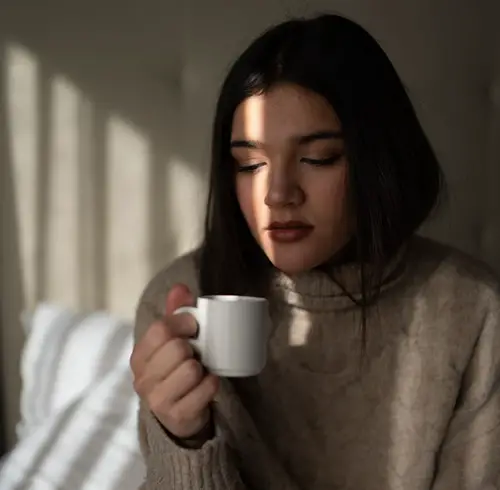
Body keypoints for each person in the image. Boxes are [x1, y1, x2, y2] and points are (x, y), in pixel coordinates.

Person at [129, 13, 500, 490]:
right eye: (250, 163)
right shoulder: (183, 305)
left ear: (379, 160)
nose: (277, 194)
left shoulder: (475, 313)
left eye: (317, 158)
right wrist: (184, 440)